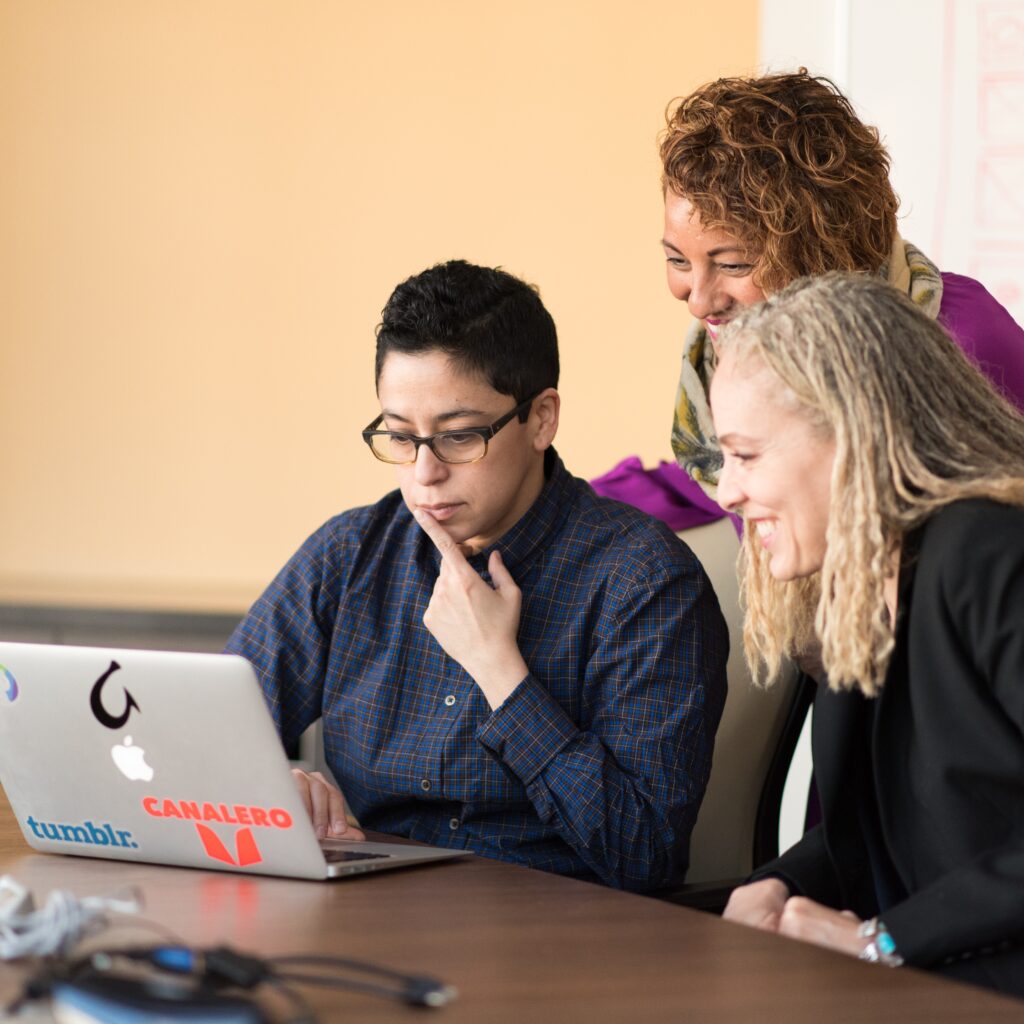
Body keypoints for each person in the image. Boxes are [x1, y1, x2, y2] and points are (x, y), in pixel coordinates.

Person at [226, 259, 728, 893]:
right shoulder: (351, 555)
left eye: (459, 437)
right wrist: (269, 787)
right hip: (373, 918)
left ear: (541, 418)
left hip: (561, 938)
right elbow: (208, 736)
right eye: (402, 437)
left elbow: (643, 853)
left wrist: (500, 671)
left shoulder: (643, 582)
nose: (424, 473)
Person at [710, 271, 1024, 998]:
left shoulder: (989, 552)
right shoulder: (860, 586)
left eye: (746, 455)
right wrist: (783, 882)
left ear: (852, 435)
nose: (726, 491)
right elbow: (907, 830)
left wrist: (879, 941)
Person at [658, 68, 1024, 497]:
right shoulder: (723, 360)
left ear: (821, 252)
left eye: (734, 265)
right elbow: (703, 476)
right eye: (677, 259)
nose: (698, 304)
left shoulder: (962, 339)